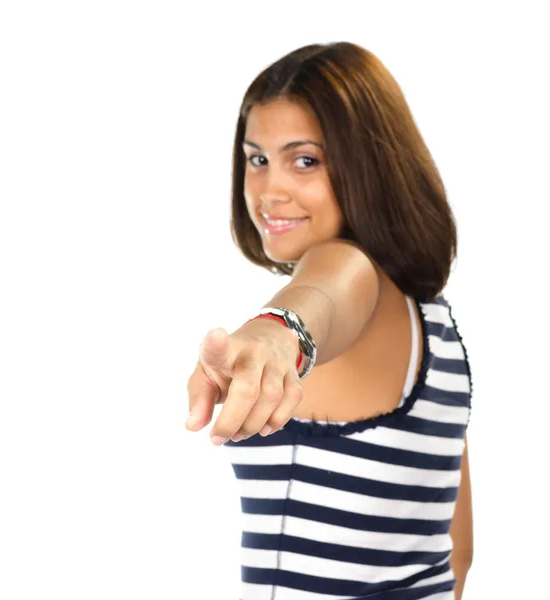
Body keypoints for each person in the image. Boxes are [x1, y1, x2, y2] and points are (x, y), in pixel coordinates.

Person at [185, 41, 473, 600]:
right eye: (257, 158)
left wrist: (277, 334)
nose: (270, 190)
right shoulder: (437, 330)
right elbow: (454, 549)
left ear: (371, 164)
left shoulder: (354, 272)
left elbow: (326, 290)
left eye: (305, 160)